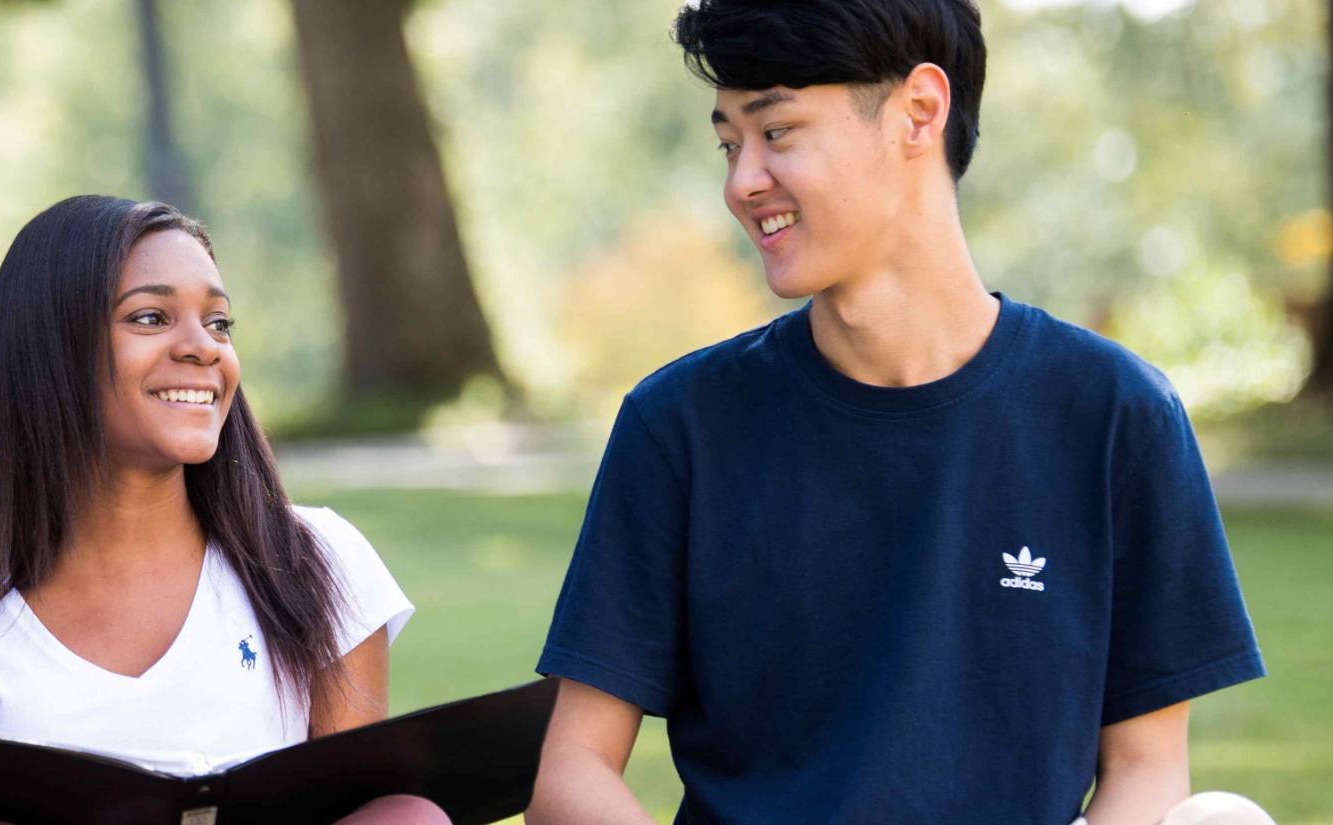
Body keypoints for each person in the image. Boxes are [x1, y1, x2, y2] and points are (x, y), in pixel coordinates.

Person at [525, 3, 1270, 824]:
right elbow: (571, 778)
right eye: (729, 144)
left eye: (778, 131)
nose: (741, 184)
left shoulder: (1117, 416)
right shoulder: (678, 426)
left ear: (919, 112)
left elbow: (1148, 770)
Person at [0, 195, 439, 824]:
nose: (203, 348)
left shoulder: (312, 562)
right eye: (149, 317)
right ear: (50, 349)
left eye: (219, 322)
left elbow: (350, 810)